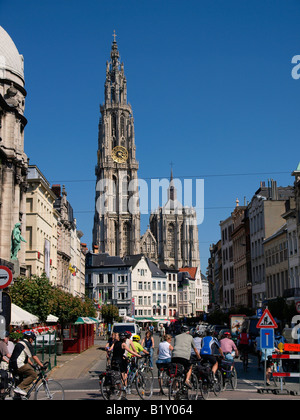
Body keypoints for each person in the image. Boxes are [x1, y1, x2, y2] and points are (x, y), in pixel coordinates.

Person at [9, 331, 44, 396]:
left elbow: (26, 357)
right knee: (33, 374)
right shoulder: (27, 344)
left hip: (13, 364)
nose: (33, 341)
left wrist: (32, 364)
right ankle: (20, 388)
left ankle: (18, 395)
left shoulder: (20, 343)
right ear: (30, 339)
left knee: (21, 379)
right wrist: (42, 365)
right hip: (18, 364)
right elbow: (34, 356)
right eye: (33, 339)